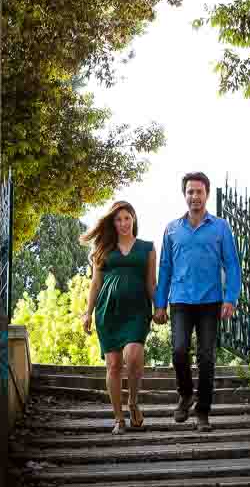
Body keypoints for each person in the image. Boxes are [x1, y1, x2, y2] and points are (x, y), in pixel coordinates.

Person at [154, 171, 241, 432]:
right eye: (190, 192)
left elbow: (232, 265)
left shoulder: (221, 227)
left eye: (199, 192)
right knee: (179, 350)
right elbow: (165, 268)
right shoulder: (171, 229)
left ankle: (203, 412)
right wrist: (160, 304)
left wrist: (230, 298)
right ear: (185, 195)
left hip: (210, 301)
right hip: (180, 300)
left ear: (207, 195)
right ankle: (185, 394)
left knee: (206, 357)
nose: (194, 196)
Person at [81, 201, 156, 435]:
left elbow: (151, 283)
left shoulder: (147, 248)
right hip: (108, 311)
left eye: (127, 218)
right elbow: (95, 284)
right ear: (112, 223)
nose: (123, 223)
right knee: (113, 365)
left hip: (137, 311)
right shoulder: (103, 250)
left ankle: (133, 402)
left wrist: (160, 307)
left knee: (133, 357)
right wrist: (88, 312)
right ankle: (118, 418)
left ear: (133, 218)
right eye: (118, 219)